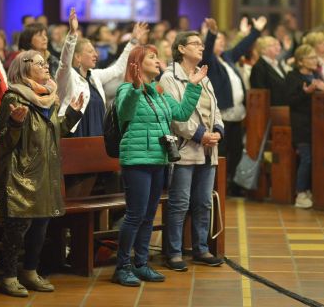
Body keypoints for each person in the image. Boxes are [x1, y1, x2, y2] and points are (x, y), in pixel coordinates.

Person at [112, 44, 206, 287]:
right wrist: (134, 87)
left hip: (159, 159)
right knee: (135, 215)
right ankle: (121, 267)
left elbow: (182, 113)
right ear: (137, 63)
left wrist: (193, 86)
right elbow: (125, 112)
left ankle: (141, 264)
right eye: (151, 57)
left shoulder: (160, 91)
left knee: (148, 216)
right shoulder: (125, 89)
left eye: (156, 56)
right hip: (137, 160)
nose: (157, 61)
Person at [0, 50, 83, 297]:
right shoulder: (14, 98)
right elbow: (3, 142)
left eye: (46, 63)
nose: (46, 67)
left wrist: (73, 114)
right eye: (40, 64)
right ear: (24, 70)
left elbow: (56, 131)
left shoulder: (48, 98)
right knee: (16, 230)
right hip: (20, 175)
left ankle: (30, 271)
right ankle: (9, 277)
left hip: (45, 174)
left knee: (40, 227)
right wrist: (14, 123)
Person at [159, 31, 224, 272]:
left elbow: (215, 108)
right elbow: (175, 116)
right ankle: (174, 252)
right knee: (180, 203)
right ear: (181, 49)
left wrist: (218, 130)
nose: (201, 47)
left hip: (208, 149)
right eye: (195, 43)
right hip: (186, 148)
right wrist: (200, 135)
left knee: (204, 202)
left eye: (201, 44)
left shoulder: (203, 76)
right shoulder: (169, 77)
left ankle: (201, 248)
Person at [201, 16, 265, 196]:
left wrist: (256, 31)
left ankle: (232, 185)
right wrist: (212, 34)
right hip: (222, 115)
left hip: (237, 114)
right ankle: (218, 187)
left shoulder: (226, 57)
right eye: (217, 40)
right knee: (221, 152)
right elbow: (207, 53)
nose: (221, 42)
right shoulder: (208, 61)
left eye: (222, 40)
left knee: (236, 151)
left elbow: (241, 47)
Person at [56, 8, 141, 137]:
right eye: (90, 51)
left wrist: (133, 42)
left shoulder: (95, 76)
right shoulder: (67, 76)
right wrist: (72, 34)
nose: (95, 55)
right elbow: (64, 62)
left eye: (95, 51)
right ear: (78, 57)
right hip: (75, 134)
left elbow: (118, 68)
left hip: (98, 132)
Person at [285, 44, 324, 209]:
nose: (314, 60)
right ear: (301, 61)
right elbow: (290, 100)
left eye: (314, 57)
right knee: (307, 158)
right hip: (301, 125)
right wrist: (306, 92)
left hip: (319, 125)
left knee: (317, 158)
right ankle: (300, 192)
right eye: (311, 57)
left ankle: (311, 189)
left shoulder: (317, 75)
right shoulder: (293, 76)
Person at [249, 36, 288, 106]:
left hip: (283, 106)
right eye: (273, 45)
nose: (278, 47)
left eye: (278, 44)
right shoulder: (259, 67)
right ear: (263, 50)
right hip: (271, 109)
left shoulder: (277, 64)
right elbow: (260, 93)